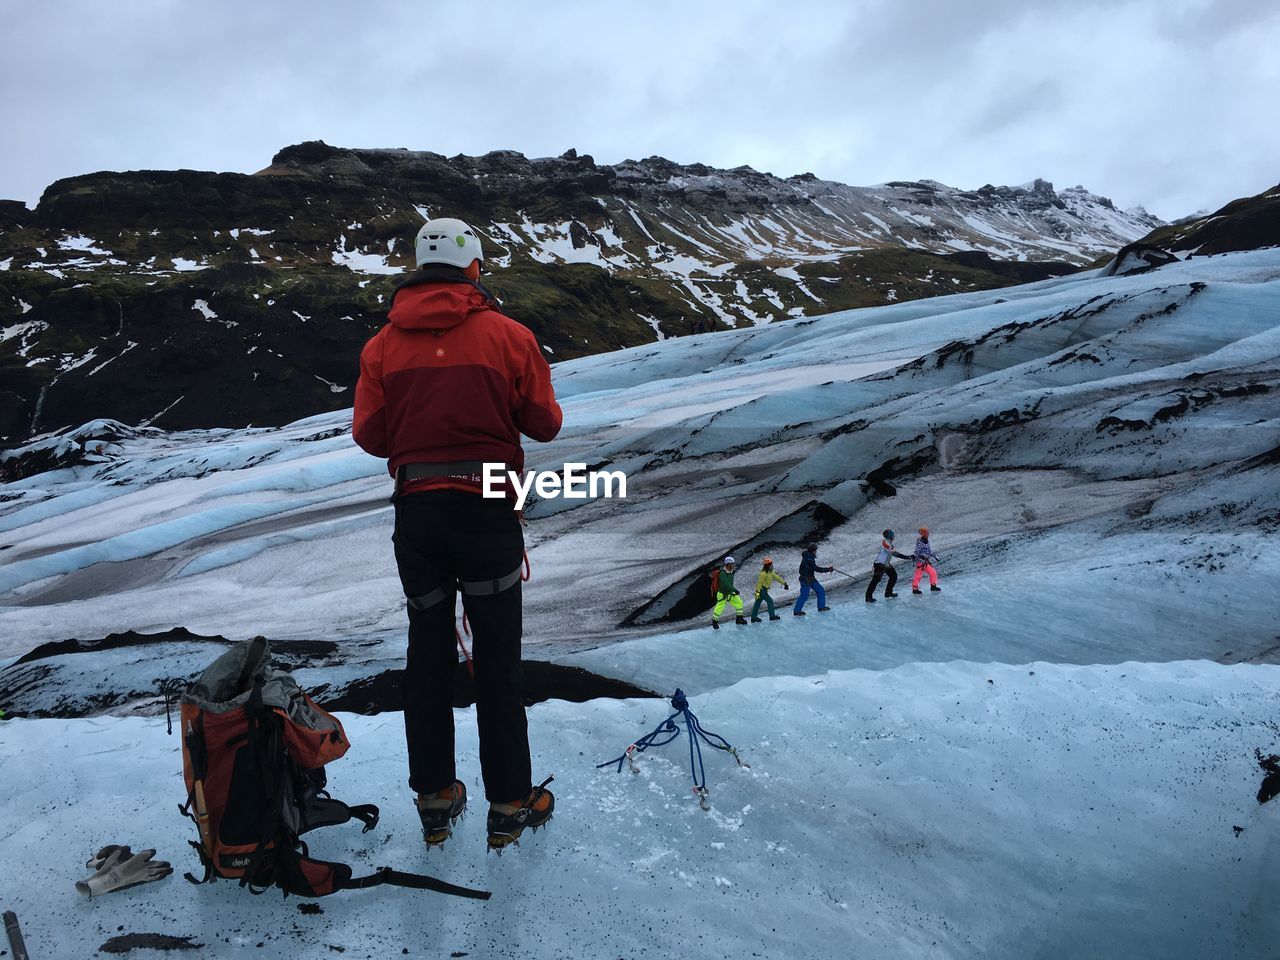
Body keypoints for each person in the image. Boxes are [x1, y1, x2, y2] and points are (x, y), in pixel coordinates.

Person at [353, 216, 562, 851]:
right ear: (473, 265)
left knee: (428, 654)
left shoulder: (381, 345)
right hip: (491, 499)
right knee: (498, 658)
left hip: (417, 506)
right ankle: (509, 804)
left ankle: (436, 800)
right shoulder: (509, 336)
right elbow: (545, 424)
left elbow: (370, 435)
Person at [866, 529, 912, 603]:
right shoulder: (886, 543)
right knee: (875, 581)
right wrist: (908, 557)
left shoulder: (889, 543)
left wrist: (907, 557)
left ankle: (888, 593)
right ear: (890, 536)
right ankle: (868, 597)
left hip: (885, 564)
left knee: (893, 576)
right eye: (892, 534)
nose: (894, 536)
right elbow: (895, 553)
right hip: (880, 565)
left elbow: (893, 553)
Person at [793, 542, 833, 616]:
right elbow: (816, 569)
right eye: (815, 550)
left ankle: (821, 607)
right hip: (805, 580)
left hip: (810, 578)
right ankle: (797, 611)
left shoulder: (808, 556)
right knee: (804, 595)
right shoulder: (809, 559)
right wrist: (828, 569)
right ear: (812, 550)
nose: (816, 552)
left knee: (820, 590)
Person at [711, 556, 749, 629]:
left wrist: (732, 591)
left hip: (729, 593)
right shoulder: (723, 573)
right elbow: (726, 584)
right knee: (719, 607)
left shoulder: (730, 571)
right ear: (728, 564)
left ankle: (739, 619)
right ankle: (714, 622)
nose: (733, 565)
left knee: (739, 602)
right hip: (722, 594)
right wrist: (734, 590)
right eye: (732, 564)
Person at [750, 557, 788, 622]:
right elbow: (759, 583)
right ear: (767, 565)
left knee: (757, 604)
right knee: (770, 601)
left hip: (764, 591)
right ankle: (772, 616)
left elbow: (777, 578)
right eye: (771, 564)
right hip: (762, 591)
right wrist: (757, 592)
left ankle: (753, 618)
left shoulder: (771, 572)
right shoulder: (763, 574)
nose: (772, 565)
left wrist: (784, 583)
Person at [912, 527, 942, 594]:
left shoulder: (926, 541)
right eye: (927, 533)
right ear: (923, 534)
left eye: (928, 532)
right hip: (921, 562)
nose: (928, 534)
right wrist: (920, 556)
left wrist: (935, 556)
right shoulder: (921, 542)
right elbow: (916, 551)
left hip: (925, 562)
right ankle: (915, 589)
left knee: (933, 573)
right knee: (918, 575)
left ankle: (933, 586)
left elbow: (928, 551)